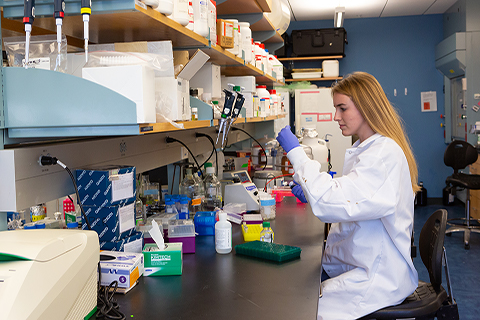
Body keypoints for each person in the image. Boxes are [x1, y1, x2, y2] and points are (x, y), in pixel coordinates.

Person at [276, 72, 420, 320]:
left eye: (342, 108)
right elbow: (355, 196)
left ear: (366, 107)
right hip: (362, 261)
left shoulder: (382, 154)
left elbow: (332, 201)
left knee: (304, 310)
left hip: (376, 276)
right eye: (335, 109)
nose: (336, 117)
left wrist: (296, 152)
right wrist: (318, 191)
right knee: (300, 295)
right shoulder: (369, 148)